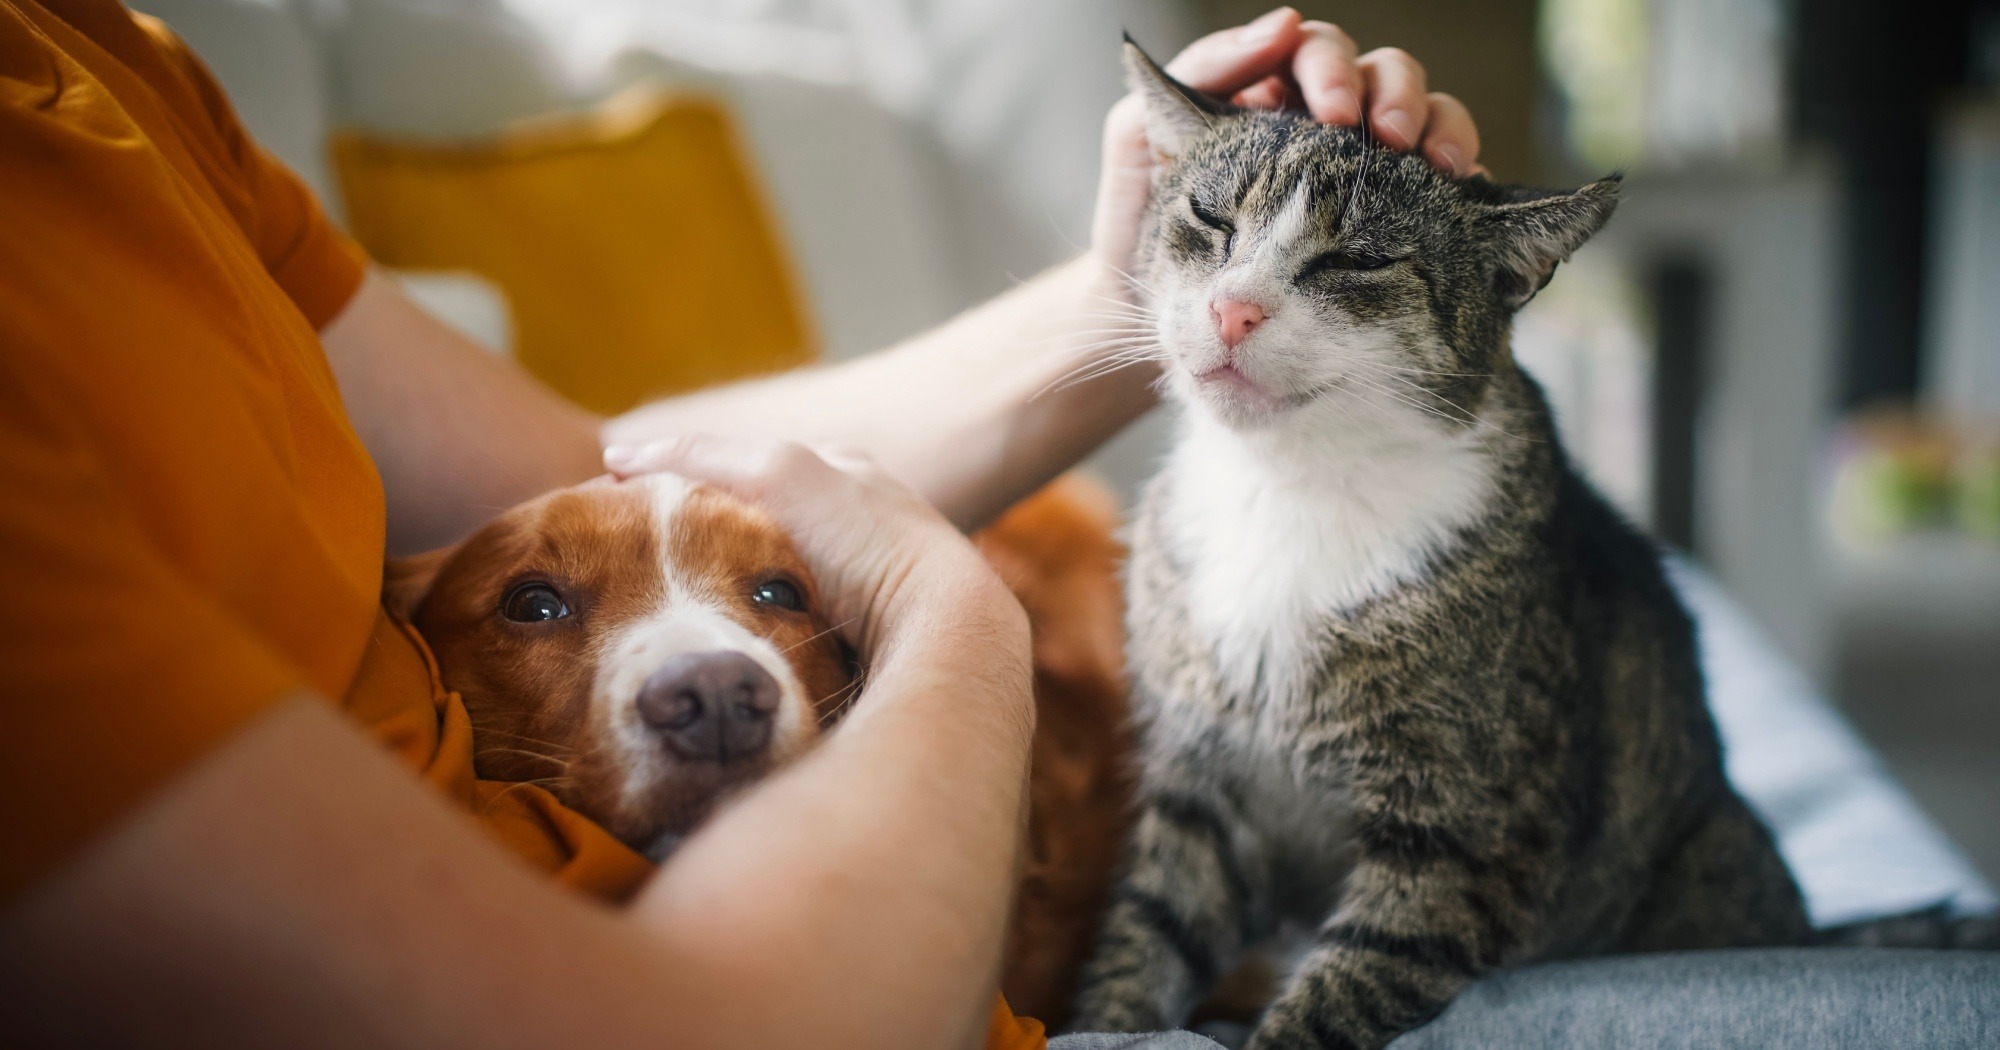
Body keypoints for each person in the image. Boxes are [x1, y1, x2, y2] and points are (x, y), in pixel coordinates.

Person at [0, 2, 1481, 1046]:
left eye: (777, 602)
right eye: (530, 608)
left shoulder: (115, 74)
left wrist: (1123, 300)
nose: (713, 674)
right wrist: (945, 607)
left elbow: (610, 475)